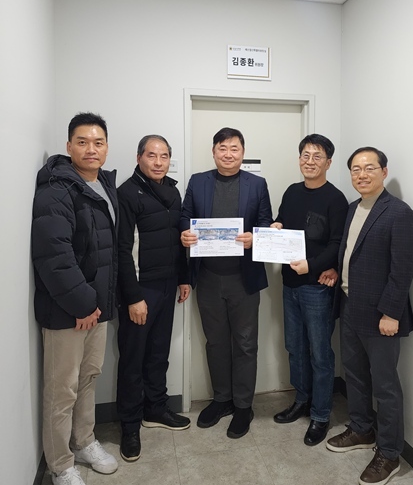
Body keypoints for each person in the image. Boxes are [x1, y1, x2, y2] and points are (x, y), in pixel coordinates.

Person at [32, 113, 118, 485]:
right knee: (61, 390)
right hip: (68, 311)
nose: (91, 149)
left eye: (98, 142)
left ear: (107, 147)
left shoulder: (104, 185)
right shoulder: (56, 189)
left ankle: (84, 442)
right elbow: (55, 256)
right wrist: (84, 305)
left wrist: (97, 307)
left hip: (96, 309)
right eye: (82, 142)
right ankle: (60, 465)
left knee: (88, 379)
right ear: (69, 146)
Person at [324, 147, 413, 485]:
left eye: (369, 168)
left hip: (381, 315)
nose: (361, 174)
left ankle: (390, 453)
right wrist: (337, 272)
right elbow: (352, 255)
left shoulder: (398, 213)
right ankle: (362, 429)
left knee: (385, 385)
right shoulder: (354, 208)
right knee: (355, 375)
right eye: (356, 169)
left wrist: (391, 313)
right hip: (350, 305)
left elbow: (402, 269)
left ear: (383, 171)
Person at [180, 127, 273, 439]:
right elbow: (185, 217)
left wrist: (255, 237)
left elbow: (265, 223)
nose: (228, 154)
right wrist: (185, 233)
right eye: (223, 148)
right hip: (207, 277)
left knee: (245, 344)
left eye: (234, 148)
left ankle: (244, 405)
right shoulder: (198, 182)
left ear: (243, 153)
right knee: (216, 342)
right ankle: (222, 399)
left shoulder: (257, 185)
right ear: (214, 151)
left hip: (243, 279)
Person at [116, 135, 191, 462]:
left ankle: (156, 409)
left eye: (164, 156)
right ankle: (130, 425)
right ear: (139, 158)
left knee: (159, 352)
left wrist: (184, 278)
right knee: (133, 358)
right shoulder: (127, 194)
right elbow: (122, 250)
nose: (158, 162)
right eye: (151, 155)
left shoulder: (173, 191)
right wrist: (133, 296)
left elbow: (179, 239)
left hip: (168, 284)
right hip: (140, 289)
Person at [272, 134, 348, 446]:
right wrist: (276, 225)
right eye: (305, 155)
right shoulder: (291, 192)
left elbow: (338, 244)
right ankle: (301, 401)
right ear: (299, 158)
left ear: (328, 162)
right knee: (295, 348)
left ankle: (320, 414)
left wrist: (312, 266)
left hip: (317, 288)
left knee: (320, 354)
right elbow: (282, 221)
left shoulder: (336, 199)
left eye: (317, 156)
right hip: (289, 285)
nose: (310, 161)